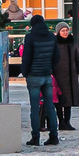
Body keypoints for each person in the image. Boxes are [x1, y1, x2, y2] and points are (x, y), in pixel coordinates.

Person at [19, 15, 59, 147]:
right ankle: (54, 136)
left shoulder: (30, 37)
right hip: (47, 75)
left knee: (35, 108)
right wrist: (50, 69)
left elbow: (26, 57)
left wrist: (25, 73)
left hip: (34, 76)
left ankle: (35, 137)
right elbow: (56, 57)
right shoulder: (52, 37)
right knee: (50, 107)